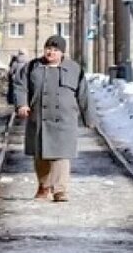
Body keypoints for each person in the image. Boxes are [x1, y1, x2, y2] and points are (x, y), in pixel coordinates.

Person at [12, 35, 98, 202]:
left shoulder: (74, 69)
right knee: (41, 155)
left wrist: (89, 117)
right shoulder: (32, 67)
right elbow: (20, 87)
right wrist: (21, 104)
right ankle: (44, 186)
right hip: (39, 118)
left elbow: (84, 95)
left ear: (62, 52)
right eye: (48, 49)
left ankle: (60, 190)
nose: (51, 52)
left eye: (55, 50)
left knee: (61, 155)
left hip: (65, 120)